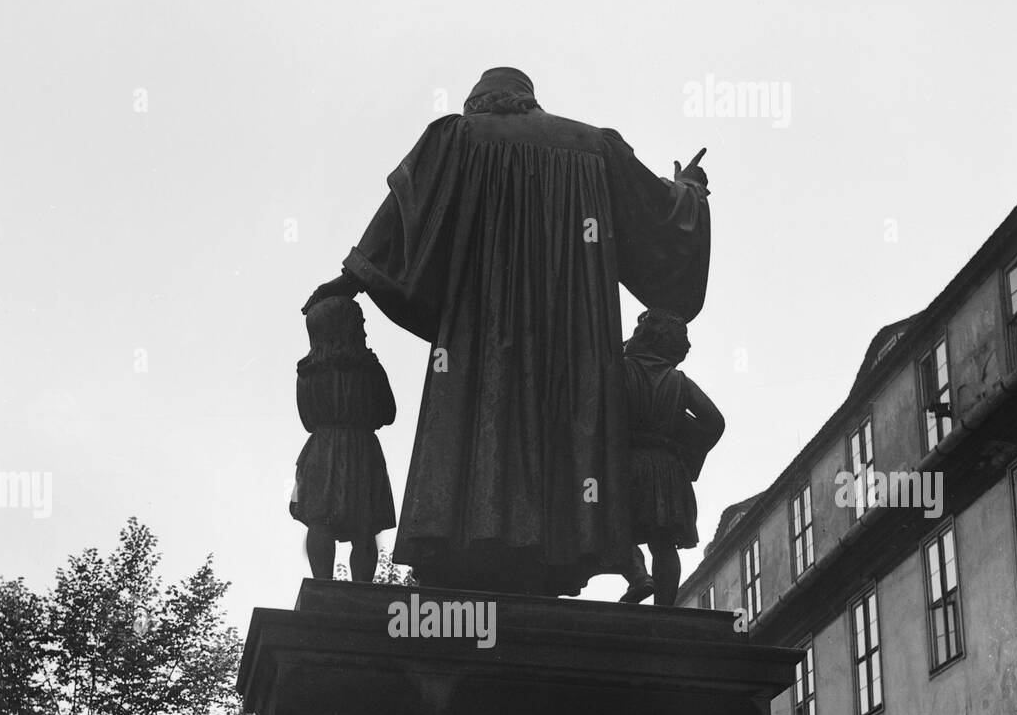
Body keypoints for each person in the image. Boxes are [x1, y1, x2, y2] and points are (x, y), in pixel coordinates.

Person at [302, 67, 711, 596]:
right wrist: (691, 189)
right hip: (575, 336)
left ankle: (466, 542)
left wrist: (350, 278)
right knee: (562, 427)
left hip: (482, 326)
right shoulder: (594, 146)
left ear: (483, 101)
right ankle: (559, 550)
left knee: (478, 418)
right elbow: (662, 215)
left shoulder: (459, 137)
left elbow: (402, 212)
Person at [618, 309, 724, 606]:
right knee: (664, 543)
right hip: (667, 466)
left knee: (613, 524)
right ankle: (664, 609)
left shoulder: (620, 370)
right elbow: (715, 422)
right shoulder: (679, 381)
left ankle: (639, 576)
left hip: (628, 462)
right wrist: (685, 443)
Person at [291, 296, 396, 582]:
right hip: (362, 450)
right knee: (364, 527)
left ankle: (322, 585)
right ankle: (362, 589)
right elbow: (388, 413)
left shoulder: (307, 373)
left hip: (322, 450)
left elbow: (307, 419)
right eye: (359, 324)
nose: (363, 330)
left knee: (319, 521)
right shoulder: (370, 368)